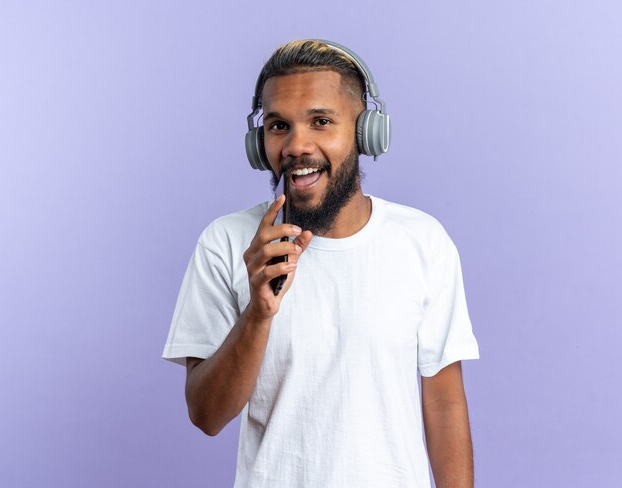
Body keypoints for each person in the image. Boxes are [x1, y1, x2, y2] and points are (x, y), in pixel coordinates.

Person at [162, 39, 480, 488]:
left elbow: (444, 401)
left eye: (321, 121)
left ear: (366, 132)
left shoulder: (423, 241)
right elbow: (206, 415)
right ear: (260, 142)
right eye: (278, 126)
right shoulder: (227, 242)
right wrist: (258, 313)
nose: (297, 145)